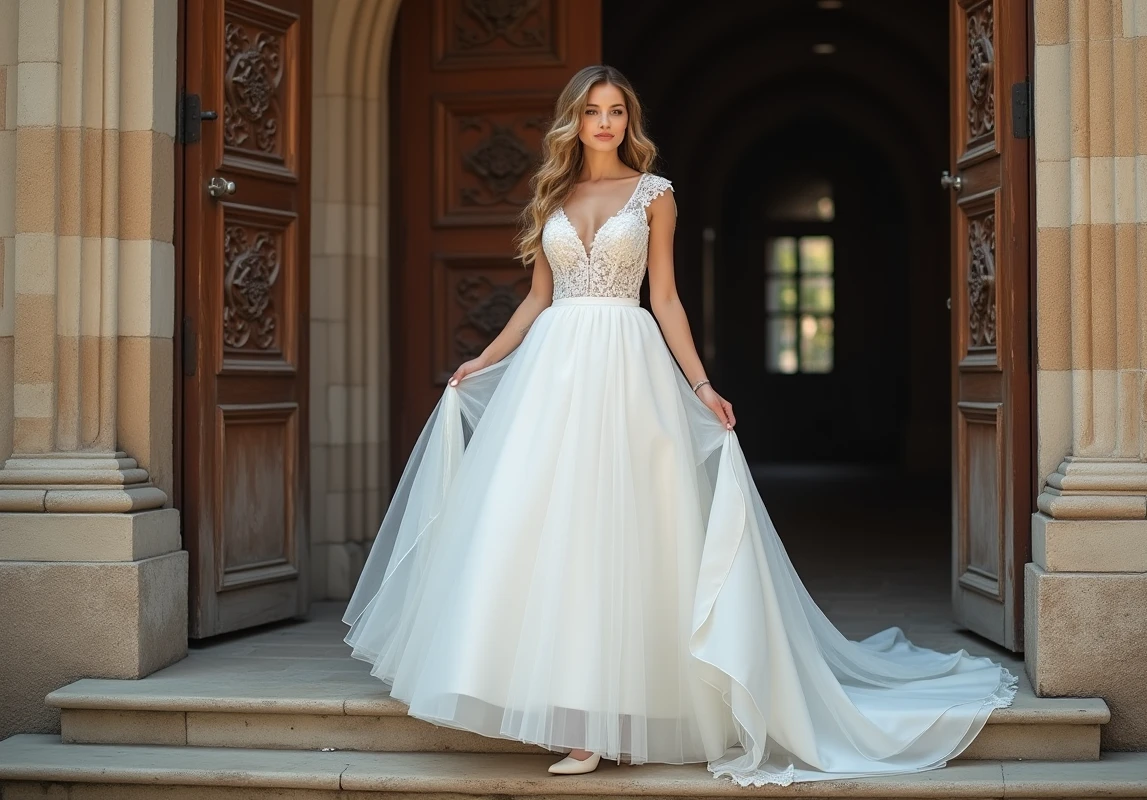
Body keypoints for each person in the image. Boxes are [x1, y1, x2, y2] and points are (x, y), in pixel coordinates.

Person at [342, 64, 1017, 787]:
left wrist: (699, 384)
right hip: (552, 374)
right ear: (574, 120)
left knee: (631, 533)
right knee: (547, 531)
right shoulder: (550, 199)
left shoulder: (655, 195)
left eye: (617, 112)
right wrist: (483, 358)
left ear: (629, 121)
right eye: (594, 112)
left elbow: (663, 299)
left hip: (628, 371)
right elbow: (537, 297)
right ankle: (569, 713)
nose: (606, 123)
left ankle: (617, 710)